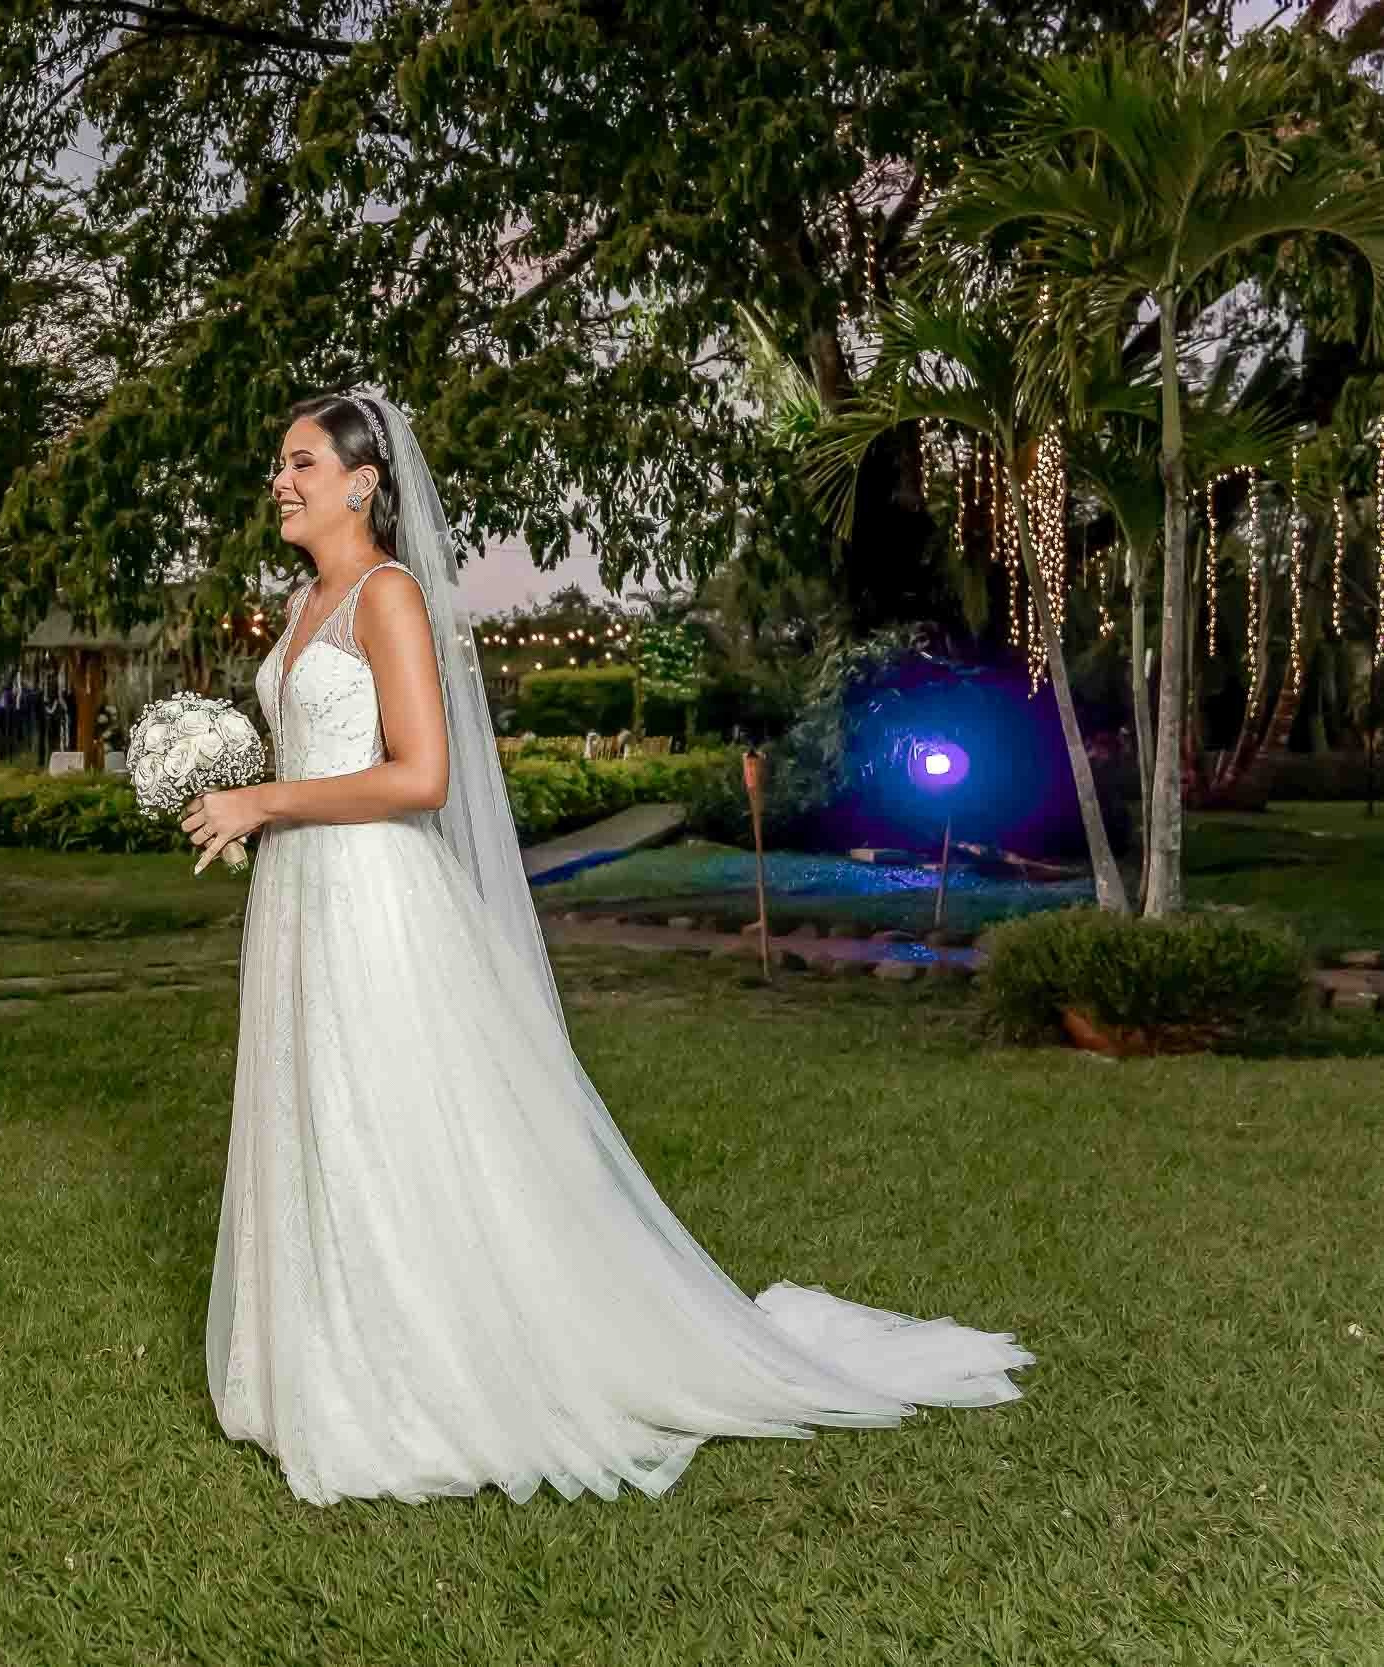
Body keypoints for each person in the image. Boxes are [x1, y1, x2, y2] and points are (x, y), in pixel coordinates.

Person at [179, 389, 1032, 1507]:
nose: (279, 482)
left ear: (362, 481)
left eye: (297, 462)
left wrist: (267, 799)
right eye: (277, 464)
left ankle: (413, 1376)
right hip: (301, 893)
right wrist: (244, 797)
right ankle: (315, 1363)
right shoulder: (303, 601)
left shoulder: (385, 596)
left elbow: (420, 773)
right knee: (309, 1106)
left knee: (378, 1113)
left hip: (374, 896)